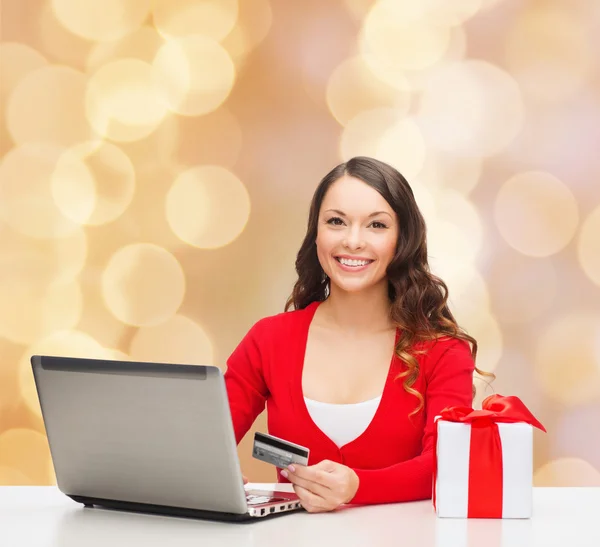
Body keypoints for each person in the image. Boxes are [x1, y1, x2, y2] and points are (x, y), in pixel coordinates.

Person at [224, 156, 490, 513]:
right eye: (336, 221)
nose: (352, 241)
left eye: (376, 226)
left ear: (402, 240)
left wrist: (357, 487)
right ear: (316, 234)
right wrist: (211, 479)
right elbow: (206, 444)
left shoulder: (442, 351)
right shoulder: (268, 339)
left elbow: (448, 465)